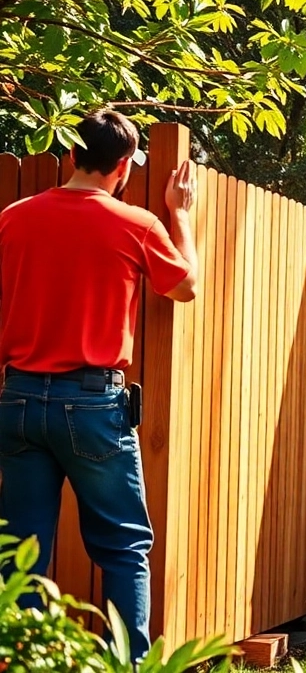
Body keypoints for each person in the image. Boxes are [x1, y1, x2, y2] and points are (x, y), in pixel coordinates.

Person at [0, 109, 197, 662]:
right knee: (122, 547)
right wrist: (181, 214)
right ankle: (125, 665)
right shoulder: (136, 223)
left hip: (17, 400)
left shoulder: (13, 219)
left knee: (20, 555)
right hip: (91, 403)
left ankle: (19, 660)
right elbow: (186, 286)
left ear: (69, 156)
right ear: (122, 170)